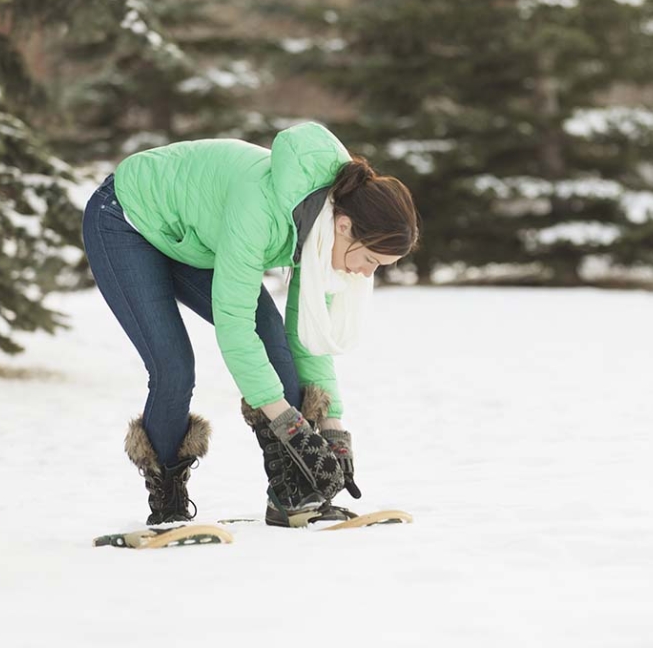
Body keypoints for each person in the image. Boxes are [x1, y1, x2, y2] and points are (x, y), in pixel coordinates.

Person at [81, 122, 420, 527]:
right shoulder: (261, 207)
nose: (366, 274)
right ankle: (167, 502)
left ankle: (292, 492)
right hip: (126, 219)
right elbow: (235, 325)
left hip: (195, 239)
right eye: (370, 261)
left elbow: (305, 337)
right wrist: (290, 426)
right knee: (173, 367)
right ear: (345, 227)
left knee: (274, 342)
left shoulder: (324, 230)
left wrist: (332, 429)